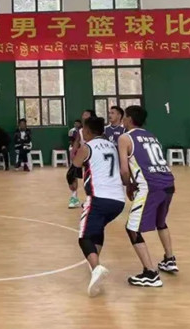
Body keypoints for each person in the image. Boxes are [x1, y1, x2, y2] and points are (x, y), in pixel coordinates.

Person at [118, 105, 177, 288]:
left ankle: (150, 273)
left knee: (132, 228)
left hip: (150, 186)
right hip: (168, 183)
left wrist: (128, 185)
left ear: (129, 119)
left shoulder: (125, 138)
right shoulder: (151, 136)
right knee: (161, 222)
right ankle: (169, 259)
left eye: (124, 116)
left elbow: (124, 170)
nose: (123, 119)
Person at [71, 116, 127, 297]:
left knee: (84, 237)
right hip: (118, 201)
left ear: (87, 131)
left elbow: (73, 170)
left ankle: (96, 268)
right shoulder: (112, 146)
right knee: (97, 228)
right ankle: (95, 264)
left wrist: (72, 183)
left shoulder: (87, 147)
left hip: (98, 198)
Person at [67, 109, 95, 209]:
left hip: (93, 156)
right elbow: (77, 141)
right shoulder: (80, 130)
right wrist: (73, 151)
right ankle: (74, 197)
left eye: (86, 114)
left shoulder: (96, 130)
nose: (83, 116)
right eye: (83, 114)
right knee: (71, 174)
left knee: (90, 178)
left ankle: (91, 199)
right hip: (82, 155)